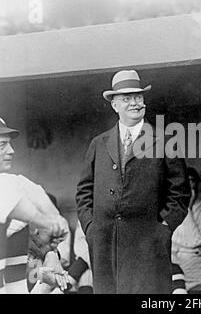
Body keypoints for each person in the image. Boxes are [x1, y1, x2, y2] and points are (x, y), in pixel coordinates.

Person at [76, 70, 190, 294]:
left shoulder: (165, 141)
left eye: (138, 97)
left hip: (148, 244)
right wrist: (91, 227)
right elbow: (84, 191)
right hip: (105, 244)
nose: (135, 103)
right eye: (126, 99)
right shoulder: (99, 143)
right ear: (114, 105)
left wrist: (164, 228)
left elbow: (181, 192)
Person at [0, 118, 69, 293]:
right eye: (2, 145)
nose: (11, 150)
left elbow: (28, 187)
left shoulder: (11, 184)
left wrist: (50, 254)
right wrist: (51, 226)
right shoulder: (6, 189)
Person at [171, 167, 201, 291]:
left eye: (191, 180)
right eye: (184, 181)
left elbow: (193, 241)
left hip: (193, 263)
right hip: (172, 260)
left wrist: (188, 209)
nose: (188, 185)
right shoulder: (171, 208)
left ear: (196, 184)